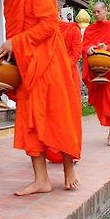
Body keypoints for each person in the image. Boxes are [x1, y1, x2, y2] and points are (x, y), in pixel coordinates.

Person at [0, 0, 82, 195]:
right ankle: (41, 180)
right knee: (30, 122)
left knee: (58, 115)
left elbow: (49, 26)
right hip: (26, 67)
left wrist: (16, 42)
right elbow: (15, 34)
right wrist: (7, 53)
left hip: (49, 64)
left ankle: (69, 170)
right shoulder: (8, 0)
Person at [82, 1, 110, 146]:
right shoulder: (89, 29)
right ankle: (105, 121)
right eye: (93, 12)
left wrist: (107, 47)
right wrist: (88, 49)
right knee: (99, 96)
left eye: (98, 11)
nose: (96, 14)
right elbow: (84, 46)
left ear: (106, 10)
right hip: (95, 65)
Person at [46, 18, 82, 164]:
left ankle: (71, 150)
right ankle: (53, 151)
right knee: (52, 113)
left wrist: (62, 67)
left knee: (69, 114)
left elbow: (76, 52)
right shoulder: (43, 29)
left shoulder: (72, 29)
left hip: (68, 76)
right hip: (49, 76)